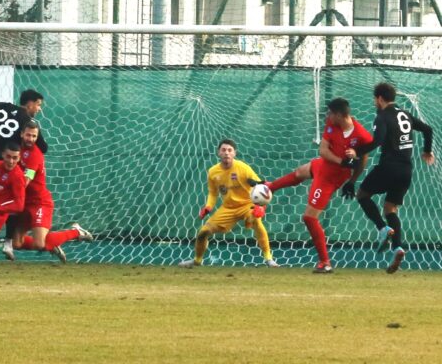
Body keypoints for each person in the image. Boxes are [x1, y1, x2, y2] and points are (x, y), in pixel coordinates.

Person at [266, 98, 373, 273]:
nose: (327, 115)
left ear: (339, 114)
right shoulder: (331, 125)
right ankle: (269, 187)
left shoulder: (362, 135)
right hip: (324, 164)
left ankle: (325, 262)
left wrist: (352, 181)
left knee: (309, 218)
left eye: (330, 112)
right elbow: (323, 151)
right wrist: (342, 161)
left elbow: (363, 160)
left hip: (329, 178)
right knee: (300, 172)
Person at [345, 83, 434, 274]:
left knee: (362, 195)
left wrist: (356, 151)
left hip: (388, 167)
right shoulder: (405, 114)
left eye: (374, 99)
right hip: (406, 170)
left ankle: (382, 228)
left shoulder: (383, 116)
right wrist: (427, 151)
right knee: (390, 208)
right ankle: (398, 247)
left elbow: (377, 141)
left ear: (379, 98)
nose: (374, 102)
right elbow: (428, 129)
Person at [179, 139, 279, 268]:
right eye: (223, 150)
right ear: (218, 153)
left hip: (247, 205)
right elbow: (213, 193)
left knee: (256, 221)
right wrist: (208, 206)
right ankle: (197, 260)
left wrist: (261, 207)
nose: (226, 153)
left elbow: (262, 188)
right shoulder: (212, 172)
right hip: (228, 208)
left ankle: (269, 259)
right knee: (203, 232)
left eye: (229, 150)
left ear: (234, 153)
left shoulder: (243, 168)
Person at [3, 121, 93, 263]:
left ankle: (76, 232)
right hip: (25, 202)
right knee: (16, 243)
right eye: (28, 135)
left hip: (39, 202)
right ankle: (51, 244)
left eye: (34, 136)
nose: (31, 139)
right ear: (21, 134)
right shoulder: (16, 149)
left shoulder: (35, 155)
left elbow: (27, 179)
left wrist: (7, 191)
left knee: (39, 244)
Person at [0, 89, 48, 254]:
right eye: (38, 104)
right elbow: (43, 147)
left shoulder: (6, 107)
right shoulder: (26, 120)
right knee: (8, 201)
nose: (39, 109)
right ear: (30, 103)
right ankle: (5, 242)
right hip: (0, 164)